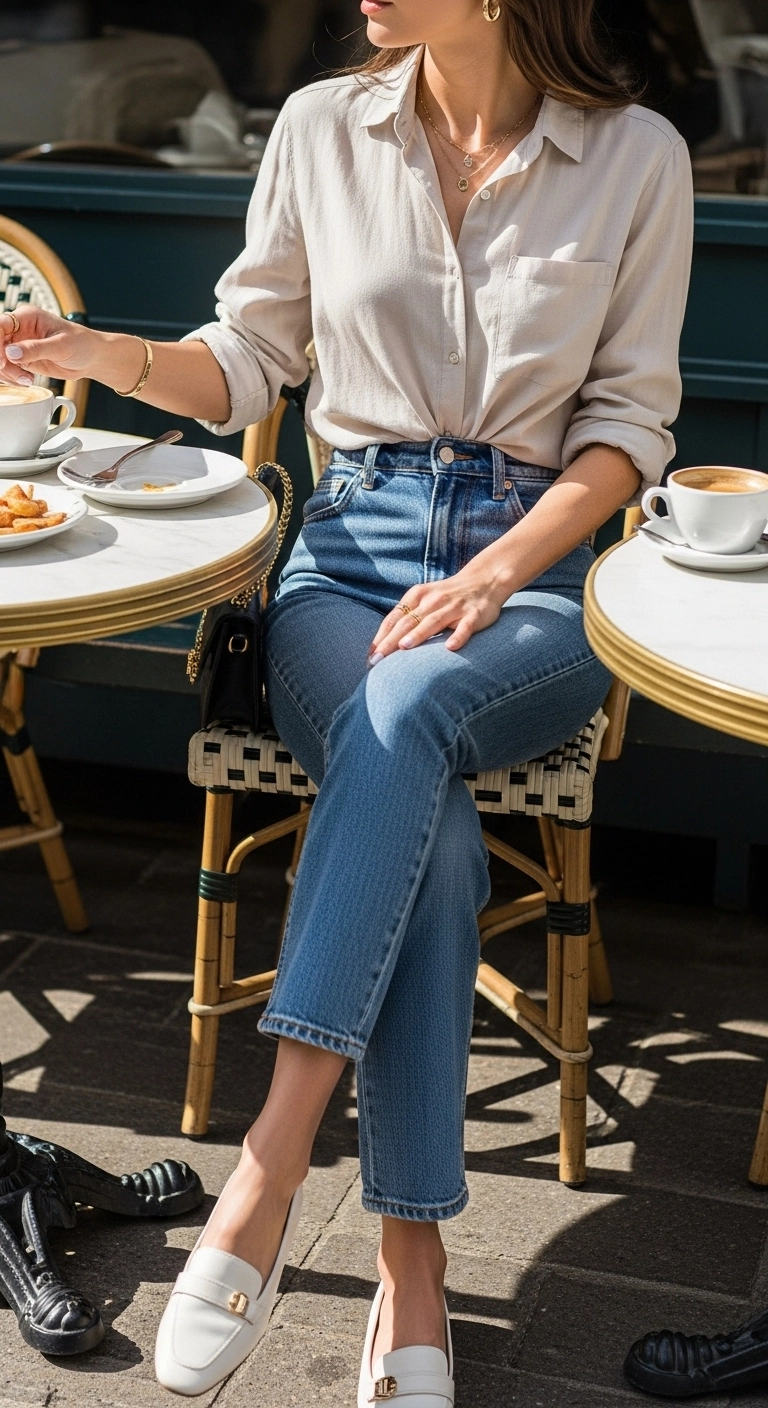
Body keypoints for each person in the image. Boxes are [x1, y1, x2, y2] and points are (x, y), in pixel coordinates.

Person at [0, 0, 693, 1400]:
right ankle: (412, 1270)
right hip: (344, 565)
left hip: (539, 584)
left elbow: (630, 428)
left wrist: (497, 571)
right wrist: (106, 358)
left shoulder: (639, 156)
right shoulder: (325, 129)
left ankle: (266, 1165)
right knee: (412, 790)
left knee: (412, 717)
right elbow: (248, 358)